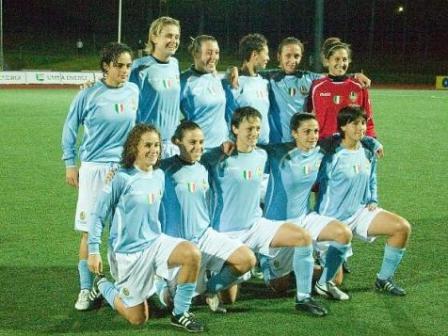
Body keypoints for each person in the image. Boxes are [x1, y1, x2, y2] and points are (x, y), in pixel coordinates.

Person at [202, 106, 328, 316]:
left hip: (256, 226)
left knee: (302, 237)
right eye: (249, 128)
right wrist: (218, 148)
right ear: (234, 129)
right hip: (226, 233)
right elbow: (191, 162)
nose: (254, 133)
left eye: (257, 128)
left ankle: (304, 298)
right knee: (230, 299)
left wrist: (370, 141)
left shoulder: (263, 154)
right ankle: (210, 286)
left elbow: (303, 146)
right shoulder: (219, 158)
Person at [87, 124, 205, 332]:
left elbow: (189, 158)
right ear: (134, 147)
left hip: (155, 242)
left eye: (157, 145)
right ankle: (102, 285)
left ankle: (180, 313)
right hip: (128, 254)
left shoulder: (160, 174)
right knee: (138, 318)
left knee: (192, 254)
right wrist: (93, 250)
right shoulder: (119, 178)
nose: (153, 150)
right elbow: (97, 215)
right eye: (147, 145)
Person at [61, 42, 138, 311]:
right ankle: (85, 289)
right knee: (88, 231)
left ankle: (122, 283)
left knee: (122, 230)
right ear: (106, 66)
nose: (124, 70)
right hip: (94, 169)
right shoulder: (89, 95)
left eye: (128, 66)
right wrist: (70, 163)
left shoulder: (133, 91)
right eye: (119, 65)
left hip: (123, 169)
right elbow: (70, 128)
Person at [158, 121, 256, 313]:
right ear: (176, 142)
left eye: (201, 142)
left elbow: (219, 151)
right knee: (171, 302)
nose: (198, 147)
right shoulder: (163, 169)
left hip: (204, 237)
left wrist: (223, 146)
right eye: (192, 142)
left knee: (247, 259)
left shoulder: (204, 164)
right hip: (179, 245)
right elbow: (137, 171)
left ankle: (209, 290)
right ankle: (160, 280)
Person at [260, 113, 358, 301]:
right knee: (278, 287)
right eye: (306, 132)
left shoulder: (320, 149)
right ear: (294, 133)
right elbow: (247, 149)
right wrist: (227, 146)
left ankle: (322, 284)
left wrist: (374, 144)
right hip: (278, 226)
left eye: (315, 131)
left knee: (342, 236)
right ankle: (267, 261)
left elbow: (349, 136)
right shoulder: (278, 152)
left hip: (304, 219)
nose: (312, 136)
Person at [316, 106, 411, 295]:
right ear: (343, 127)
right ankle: (302, 264)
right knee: (335, 280)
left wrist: (373, 198)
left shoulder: (368, 150)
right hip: (331, 219)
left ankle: (383, 279)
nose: (360, 128)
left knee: (401, 228)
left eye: (363, 123)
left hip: (359, 211)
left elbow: (372, 177)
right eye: (355, 124)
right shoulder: (330, 155)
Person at [228, 36, 371, 144]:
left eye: (296, 56)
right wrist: (233, 69)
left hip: (304, 142)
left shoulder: (309, 78)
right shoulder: (269, 78)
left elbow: (333, 76)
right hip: (277, 143)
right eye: (288, 56)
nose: (292, 60)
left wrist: (354, 75)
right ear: (279, 56)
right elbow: (249, 73)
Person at [129, 16, 182, 158]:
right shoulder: (139, 67)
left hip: (174, 145)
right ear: (154, 37)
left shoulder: (175, 64)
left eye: (177, 37)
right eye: (169, 36)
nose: (174, 41)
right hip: (148, 145)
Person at [308, 37, 376, 140]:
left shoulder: (359, 86)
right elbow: (310, 116)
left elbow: (368, 118)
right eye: (337, 59)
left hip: (351, 144)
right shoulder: (316, 87)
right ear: (327, 61)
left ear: (349, 61)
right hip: (324, 144)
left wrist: (372, 141)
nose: (341, 63)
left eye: (344, 59)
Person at [180, 35, 229, 151]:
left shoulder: (217, 77)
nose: (214, 57)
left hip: (222, 148)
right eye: (209, 53)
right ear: (196, 54)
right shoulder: (184, 81)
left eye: (216, 53)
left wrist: (233, 69)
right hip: (198, 150)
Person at [223, 33, 271, 145]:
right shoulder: (233, 82)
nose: (268, 58)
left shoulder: (264, 82)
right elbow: (228, 118)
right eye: (266, 54)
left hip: (264, 146)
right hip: (242, 148)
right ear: (255, 54)